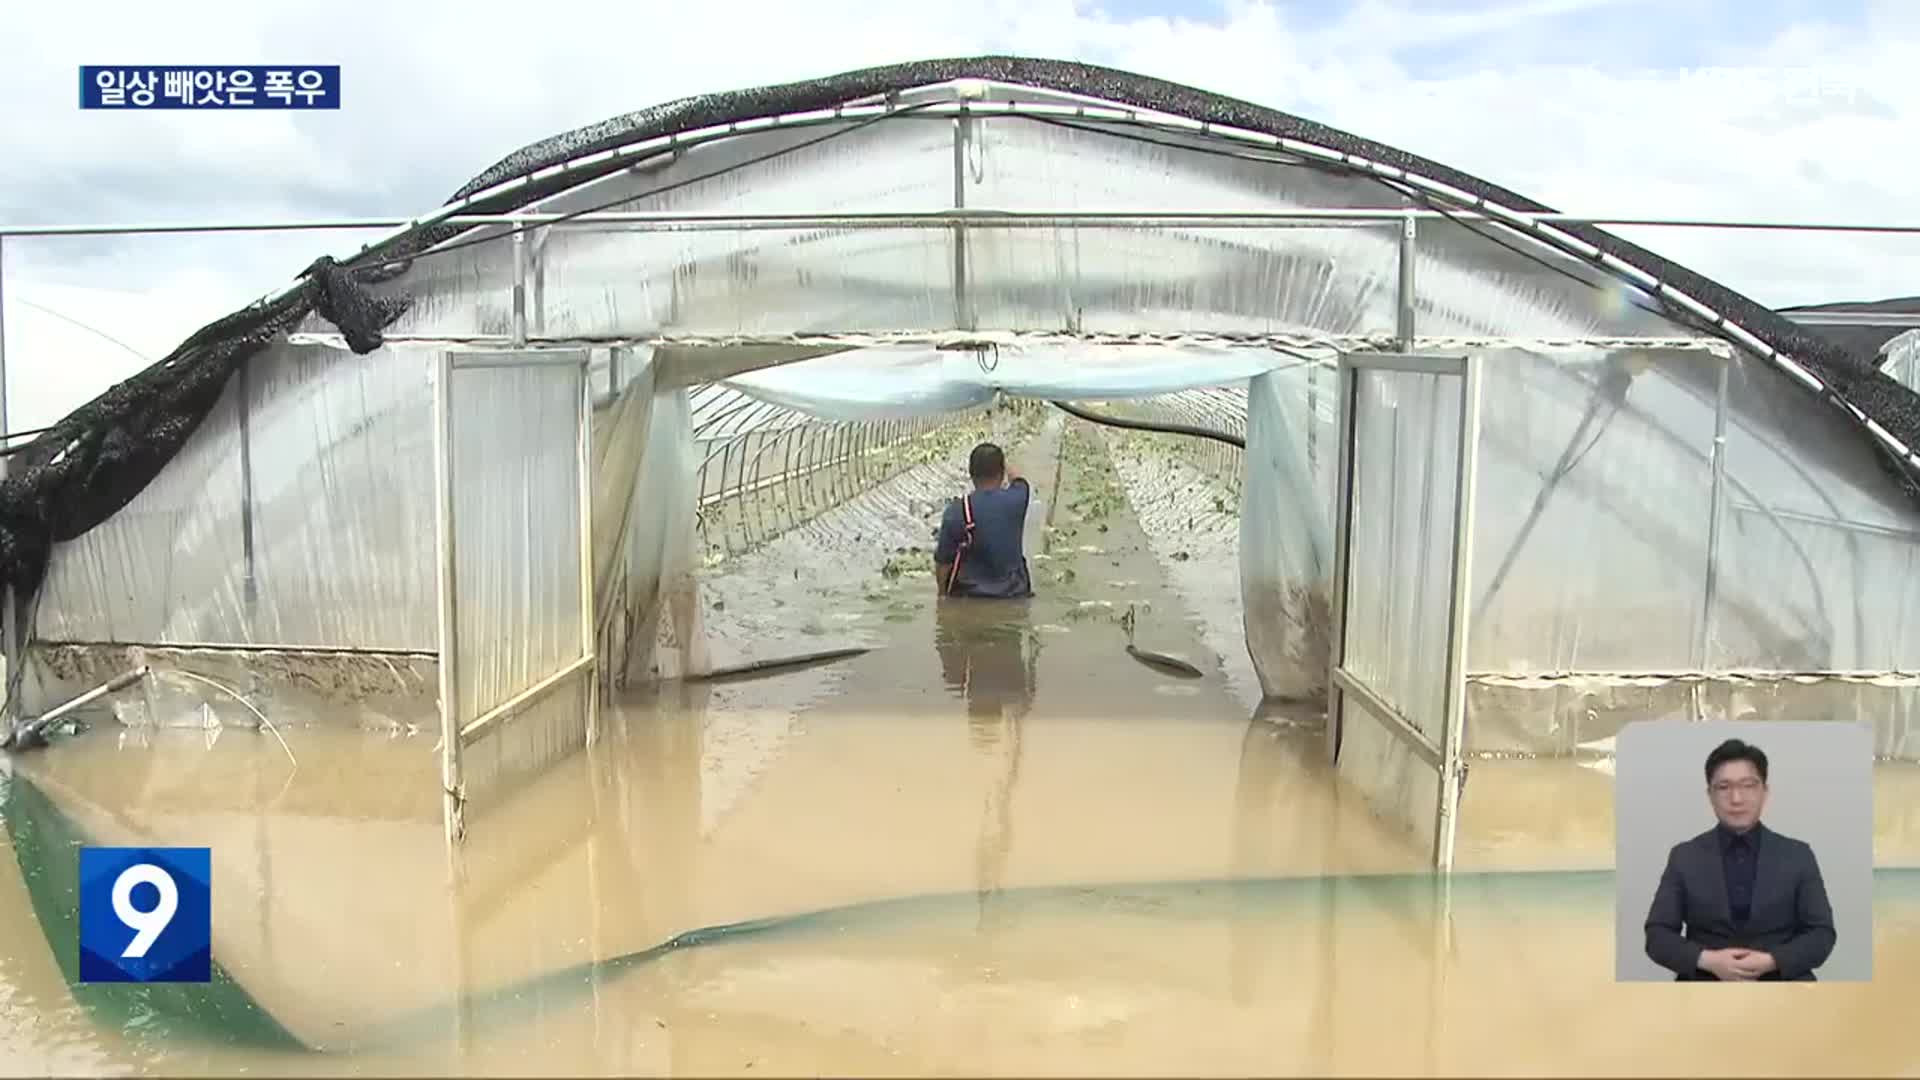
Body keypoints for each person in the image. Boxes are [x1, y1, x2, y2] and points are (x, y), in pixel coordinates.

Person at [1643, 738, 1836, 981]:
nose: (1736, 798)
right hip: (1705, 988)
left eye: (1748, 785)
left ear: (1764, 791)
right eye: (1724, 787)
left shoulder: (1798, 855)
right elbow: (1657, 935)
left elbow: (1821, 934)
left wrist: (1772, 961)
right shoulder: (1684, 856)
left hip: (1785, 989)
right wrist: (1708, 960)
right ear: (1710, 795)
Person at [934, 442, 1034, 600]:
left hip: (969, 597)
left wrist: (942, 595)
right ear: (1001, 474)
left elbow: (943, 563)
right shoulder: (1018, 498)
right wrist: (1003, 462)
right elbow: (1018, 477)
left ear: (971, 474)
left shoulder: (957, 511)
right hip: (1015, 595)